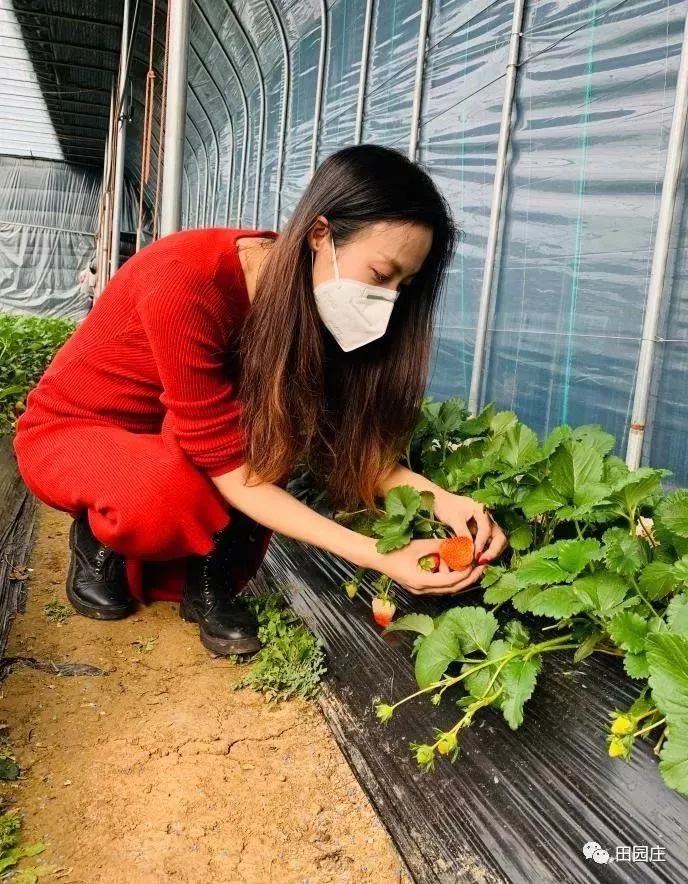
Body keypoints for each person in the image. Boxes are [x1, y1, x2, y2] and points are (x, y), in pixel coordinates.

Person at [12, 144, 507, 658]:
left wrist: (441, 498)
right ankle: (101, 538)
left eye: (404, 286)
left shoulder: (312, 303)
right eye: (381, 275)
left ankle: (209, 576)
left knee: (281, 419)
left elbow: (341, 441)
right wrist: (379, 556)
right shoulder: (186, 277)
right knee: (164, 496)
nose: (388, 299)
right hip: (78, 430)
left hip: (182, 436)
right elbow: (230, 466)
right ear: (320, 235)